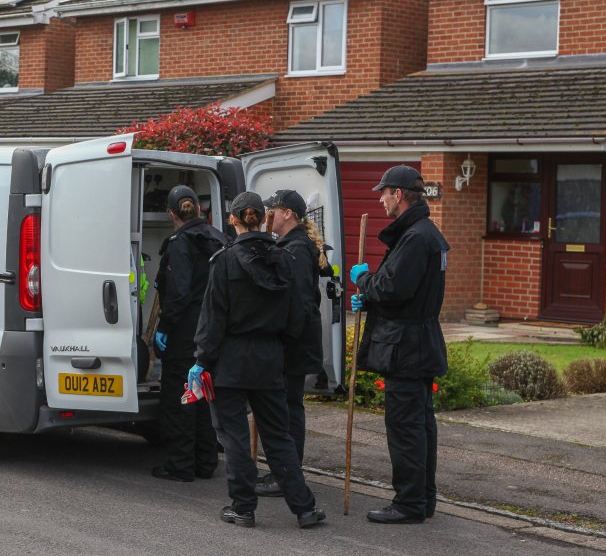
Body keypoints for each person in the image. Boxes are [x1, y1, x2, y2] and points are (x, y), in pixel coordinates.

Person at [190, 191, 326, 529]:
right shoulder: (282, 259)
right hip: (270, 358)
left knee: (234, 436)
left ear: (234, 220)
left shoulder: (224, 261)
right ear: (263, 219)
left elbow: (213, 319)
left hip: (232, 361)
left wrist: (201, 361)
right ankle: (305, 508)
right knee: (278, 436)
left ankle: (243, 507)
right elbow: (298, 314)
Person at [349, 165, 450, 524]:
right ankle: (423, 499)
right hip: (419, 341)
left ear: (400, 194)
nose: (380, 198)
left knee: (406, 427)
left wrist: (365, 282)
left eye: (384, 193)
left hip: (406, 346)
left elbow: (393, 288)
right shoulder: (426, 234)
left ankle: (409, 503)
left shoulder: (416, 237)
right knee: (421, 425)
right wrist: (372, 296)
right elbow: (405, 291)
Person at [151, 185, 228, 482]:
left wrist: (165, 328)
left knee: (181, 397)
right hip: (213, 331)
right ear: (199, 209)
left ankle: (180, 464)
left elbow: (179, 294)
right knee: (203, 395)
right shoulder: (218, 238)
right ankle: (205, 461)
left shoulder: (180, 243)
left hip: (185, 332)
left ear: (172, 214)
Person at [255, 189, 330, 497]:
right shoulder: (290, 245)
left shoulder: (296, 250)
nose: (267, 214)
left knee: (286, 410)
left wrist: (281, 339)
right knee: (286, 408)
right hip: (293, 342)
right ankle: (284, 471)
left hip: (292, 344)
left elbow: (298, 302)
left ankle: (286, 475)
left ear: (287, 213)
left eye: (272, 209)